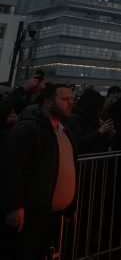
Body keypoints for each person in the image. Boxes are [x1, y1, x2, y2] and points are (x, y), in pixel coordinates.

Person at [0, 83, 78, 259]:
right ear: (48, 102)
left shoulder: (65, 132)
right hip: (30, 213)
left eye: (72, 99)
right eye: (65, 99)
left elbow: (70, 168)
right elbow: (11, 168)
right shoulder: (28, 129)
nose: (70, 103)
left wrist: (71, 204)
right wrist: (14, 206)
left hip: (52, 215)